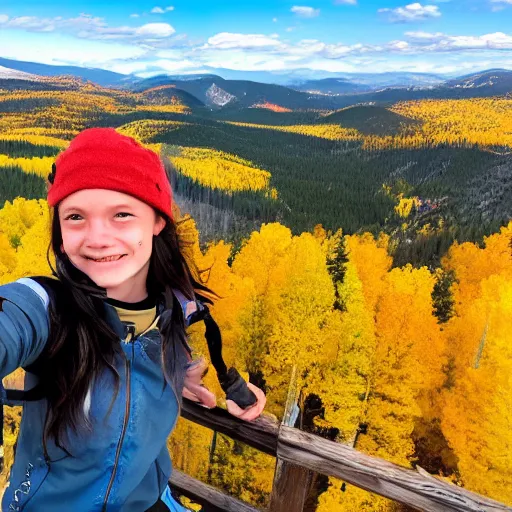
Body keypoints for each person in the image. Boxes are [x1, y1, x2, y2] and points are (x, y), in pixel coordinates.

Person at [0, 128, 266, 511]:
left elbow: (133, 366)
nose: (97, 237)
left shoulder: (174, 313)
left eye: (121, 214)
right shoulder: (48, 309)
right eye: (75, 217)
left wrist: (180, 377)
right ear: (59, 231)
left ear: (157, 221)